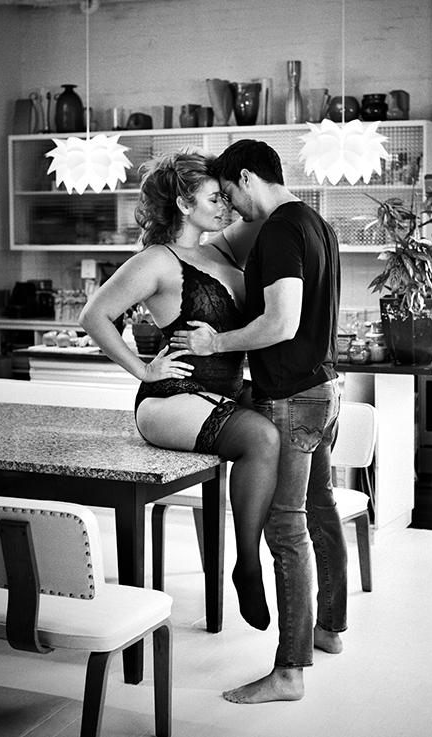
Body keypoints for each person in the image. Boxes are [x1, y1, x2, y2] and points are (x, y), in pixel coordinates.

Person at [171, 139, 345, 704]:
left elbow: (282, 323)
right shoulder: (317, 223)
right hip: (324, 389)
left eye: (229, 192)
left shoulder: (278, 230)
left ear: (247, 177)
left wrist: (214, 342)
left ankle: (289, 672)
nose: (231, 205)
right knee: (320, 511)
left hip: (293, 398)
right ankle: (328, 630)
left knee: (286, 530)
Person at [79, 149, 280, 632]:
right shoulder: (156, 261)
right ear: (184, 204)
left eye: (225, 197)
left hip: (222, 390)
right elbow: (93, 315)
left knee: (286, 413)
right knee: (261, 437)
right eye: (214, 198)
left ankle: (277, 549)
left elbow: (268, 210)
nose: (226, 206)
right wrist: (142, 370)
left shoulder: (222, 248)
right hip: (171, 397)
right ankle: (247, 565)